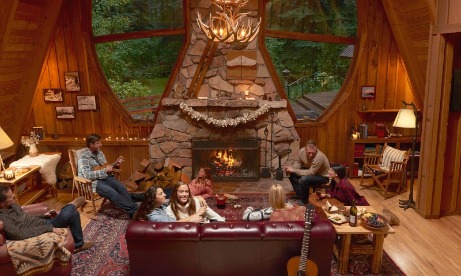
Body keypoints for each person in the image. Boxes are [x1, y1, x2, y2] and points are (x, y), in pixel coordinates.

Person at [0, 184, 93, 253]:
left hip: (44, 222)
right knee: (69, 213)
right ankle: (72, 205)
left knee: (73, 213)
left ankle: (78, 244)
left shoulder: (12, 206)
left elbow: (26, 217)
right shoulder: (3, 218)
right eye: (10, 197)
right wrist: (49, 228)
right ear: (2, 203)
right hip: (43, 229)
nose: (14, 196)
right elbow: (19, 234)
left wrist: (44, 215)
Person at [78, 133, 143, 218]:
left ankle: (132, 207)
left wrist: (115, 164)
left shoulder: (99, 153)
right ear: (91, 144)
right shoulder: (83, 156)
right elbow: (87, 175)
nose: (101, 145)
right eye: (98, 143)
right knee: (111, 192)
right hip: (92, 182)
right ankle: (134, 211)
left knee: (121, 187)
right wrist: (105, 170)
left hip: (104, 177)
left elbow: (104, 166)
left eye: (100, 142)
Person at [133, 185, 207, 222]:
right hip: (134, 212)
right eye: (161, 194)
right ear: (153, 198)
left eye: (163, 192)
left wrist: (198, 197)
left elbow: (176, 199)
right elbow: (175, 224)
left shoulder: (160, 204)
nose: (164, 195)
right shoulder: (154, 216)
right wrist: (197, 214)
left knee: (172, 189)